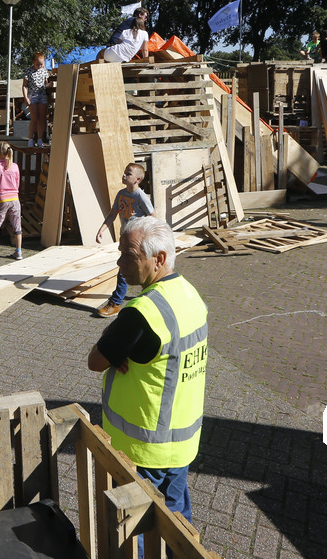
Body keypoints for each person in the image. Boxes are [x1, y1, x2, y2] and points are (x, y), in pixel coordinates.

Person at [87, 216, 207, 524]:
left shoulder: (140, 313)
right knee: (178, 526)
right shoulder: (191, 294)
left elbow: (95, 361)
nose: (120, 263)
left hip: (143, 451)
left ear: (159, 259)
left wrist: (111, 337)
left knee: (137, 530)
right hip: (181, 445)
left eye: (129, 255)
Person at [94, 163, 157, 318]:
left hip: (138, 241)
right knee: (137, 269)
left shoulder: (141, 197)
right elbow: (112, 214)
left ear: (137, 179)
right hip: (125, 239)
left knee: (124, 270)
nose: (124, 175)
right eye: (124, 172)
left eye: (128, 174)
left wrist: (149, 236)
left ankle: (115, 303)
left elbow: (154, 218)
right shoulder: (121, 194)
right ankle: (153, 296)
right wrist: (102, 229)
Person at [22, 51, 50, 147]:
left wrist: (49, 85)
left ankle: (40, 139)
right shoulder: (29, 71)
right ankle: (30, 139)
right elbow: (24, 85)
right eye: (38, 64)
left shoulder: (44, 71)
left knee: (41, 119)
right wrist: (26, 97)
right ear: (33, 62)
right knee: (34, 118)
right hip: (32, 96)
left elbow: (46, 84)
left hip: (42, 95)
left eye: (41, 64)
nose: (40, 66)